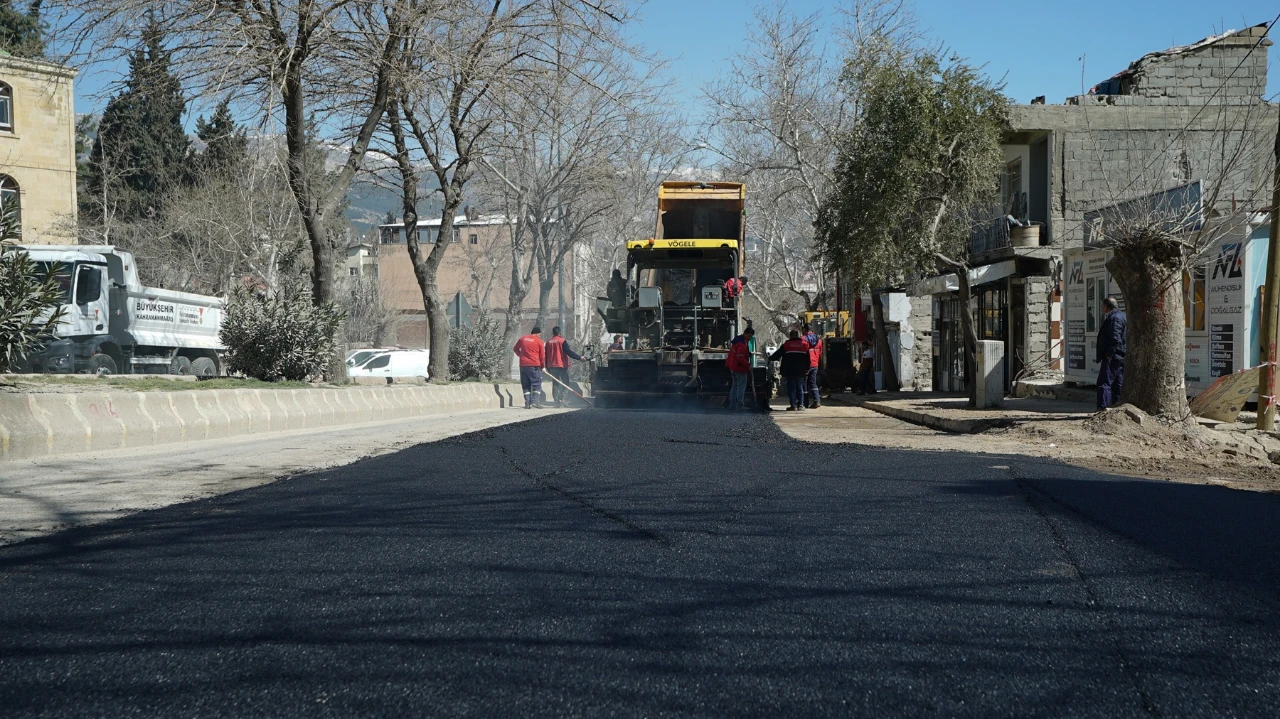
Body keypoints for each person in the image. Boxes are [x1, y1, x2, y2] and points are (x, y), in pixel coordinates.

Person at [1096, 296, 1127, 410]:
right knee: (1118, 383)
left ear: (1106, 306)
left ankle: (1103, 407)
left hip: (1113, 356)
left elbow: (1115, 338)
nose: (1102, 309)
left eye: (1103, 306)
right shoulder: (1122, 316)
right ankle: (1117, 406)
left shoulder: (1114, 318)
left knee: (1104, 382)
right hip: (1121, 355)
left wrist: (1109, 354)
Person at [770, 329, 812, 410]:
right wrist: (807, 368)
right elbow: (808, 359)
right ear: (798, 336)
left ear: (790, 336)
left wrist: (771, 358)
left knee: (791, 388)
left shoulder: (787, 345)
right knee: (800, 387)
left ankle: (793, 405)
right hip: (801, 370)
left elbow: (777, 354)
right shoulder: (804, 344)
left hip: (789, 370)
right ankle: (801, 405)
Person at [544, 326, 584, 407]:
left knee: (555, 383)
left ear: (553, 333)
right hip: (561, 365)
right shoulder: (562, 341)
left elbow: (546, 355)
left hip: (552, 366)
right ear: (560, 333)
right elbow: (568, 352)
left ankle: (556, 402)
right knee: (566, 382)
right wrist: (579, 357)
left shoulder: (548, 342)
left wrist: (547, 367)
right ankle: (563, 399)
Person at [513, 326, 546, 409]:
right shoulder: (539, 341)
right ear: (537, 333)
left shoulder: (522, 338)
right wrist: (542, 366)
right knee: (537, 384)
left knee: (526, 384)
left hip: (523, 365)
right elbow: (542, 356)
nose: (539, 336)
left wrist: (521, 356)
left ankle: (527, 403)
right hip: (534, 365)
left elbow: (515, 349)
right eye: (539, 334)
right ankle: (535, 402)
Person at [726, 327, 755, 410]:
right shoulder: (742, 344)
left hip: (733, 367)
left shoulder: (738, 341)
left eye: (751, 336)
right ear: (745, 333)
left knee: (734, 386)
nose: (749, 338)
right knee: (741, 387)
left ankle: (732, 405)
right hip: (739, 368)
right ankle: (740, 405)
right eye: (749, 336)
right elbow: (740, 358)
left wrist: (747, 353)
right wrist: (748, 365)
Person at [802, 323, 823, 409]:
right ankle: (817, 401)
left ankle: (805, 403)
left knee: (804, 384)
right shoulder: (819, 340)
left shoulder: (803, 339)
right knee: (813, 383)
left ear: (804, 330)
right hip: (815, 364)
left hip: (806, 365)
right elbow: (820, 352)